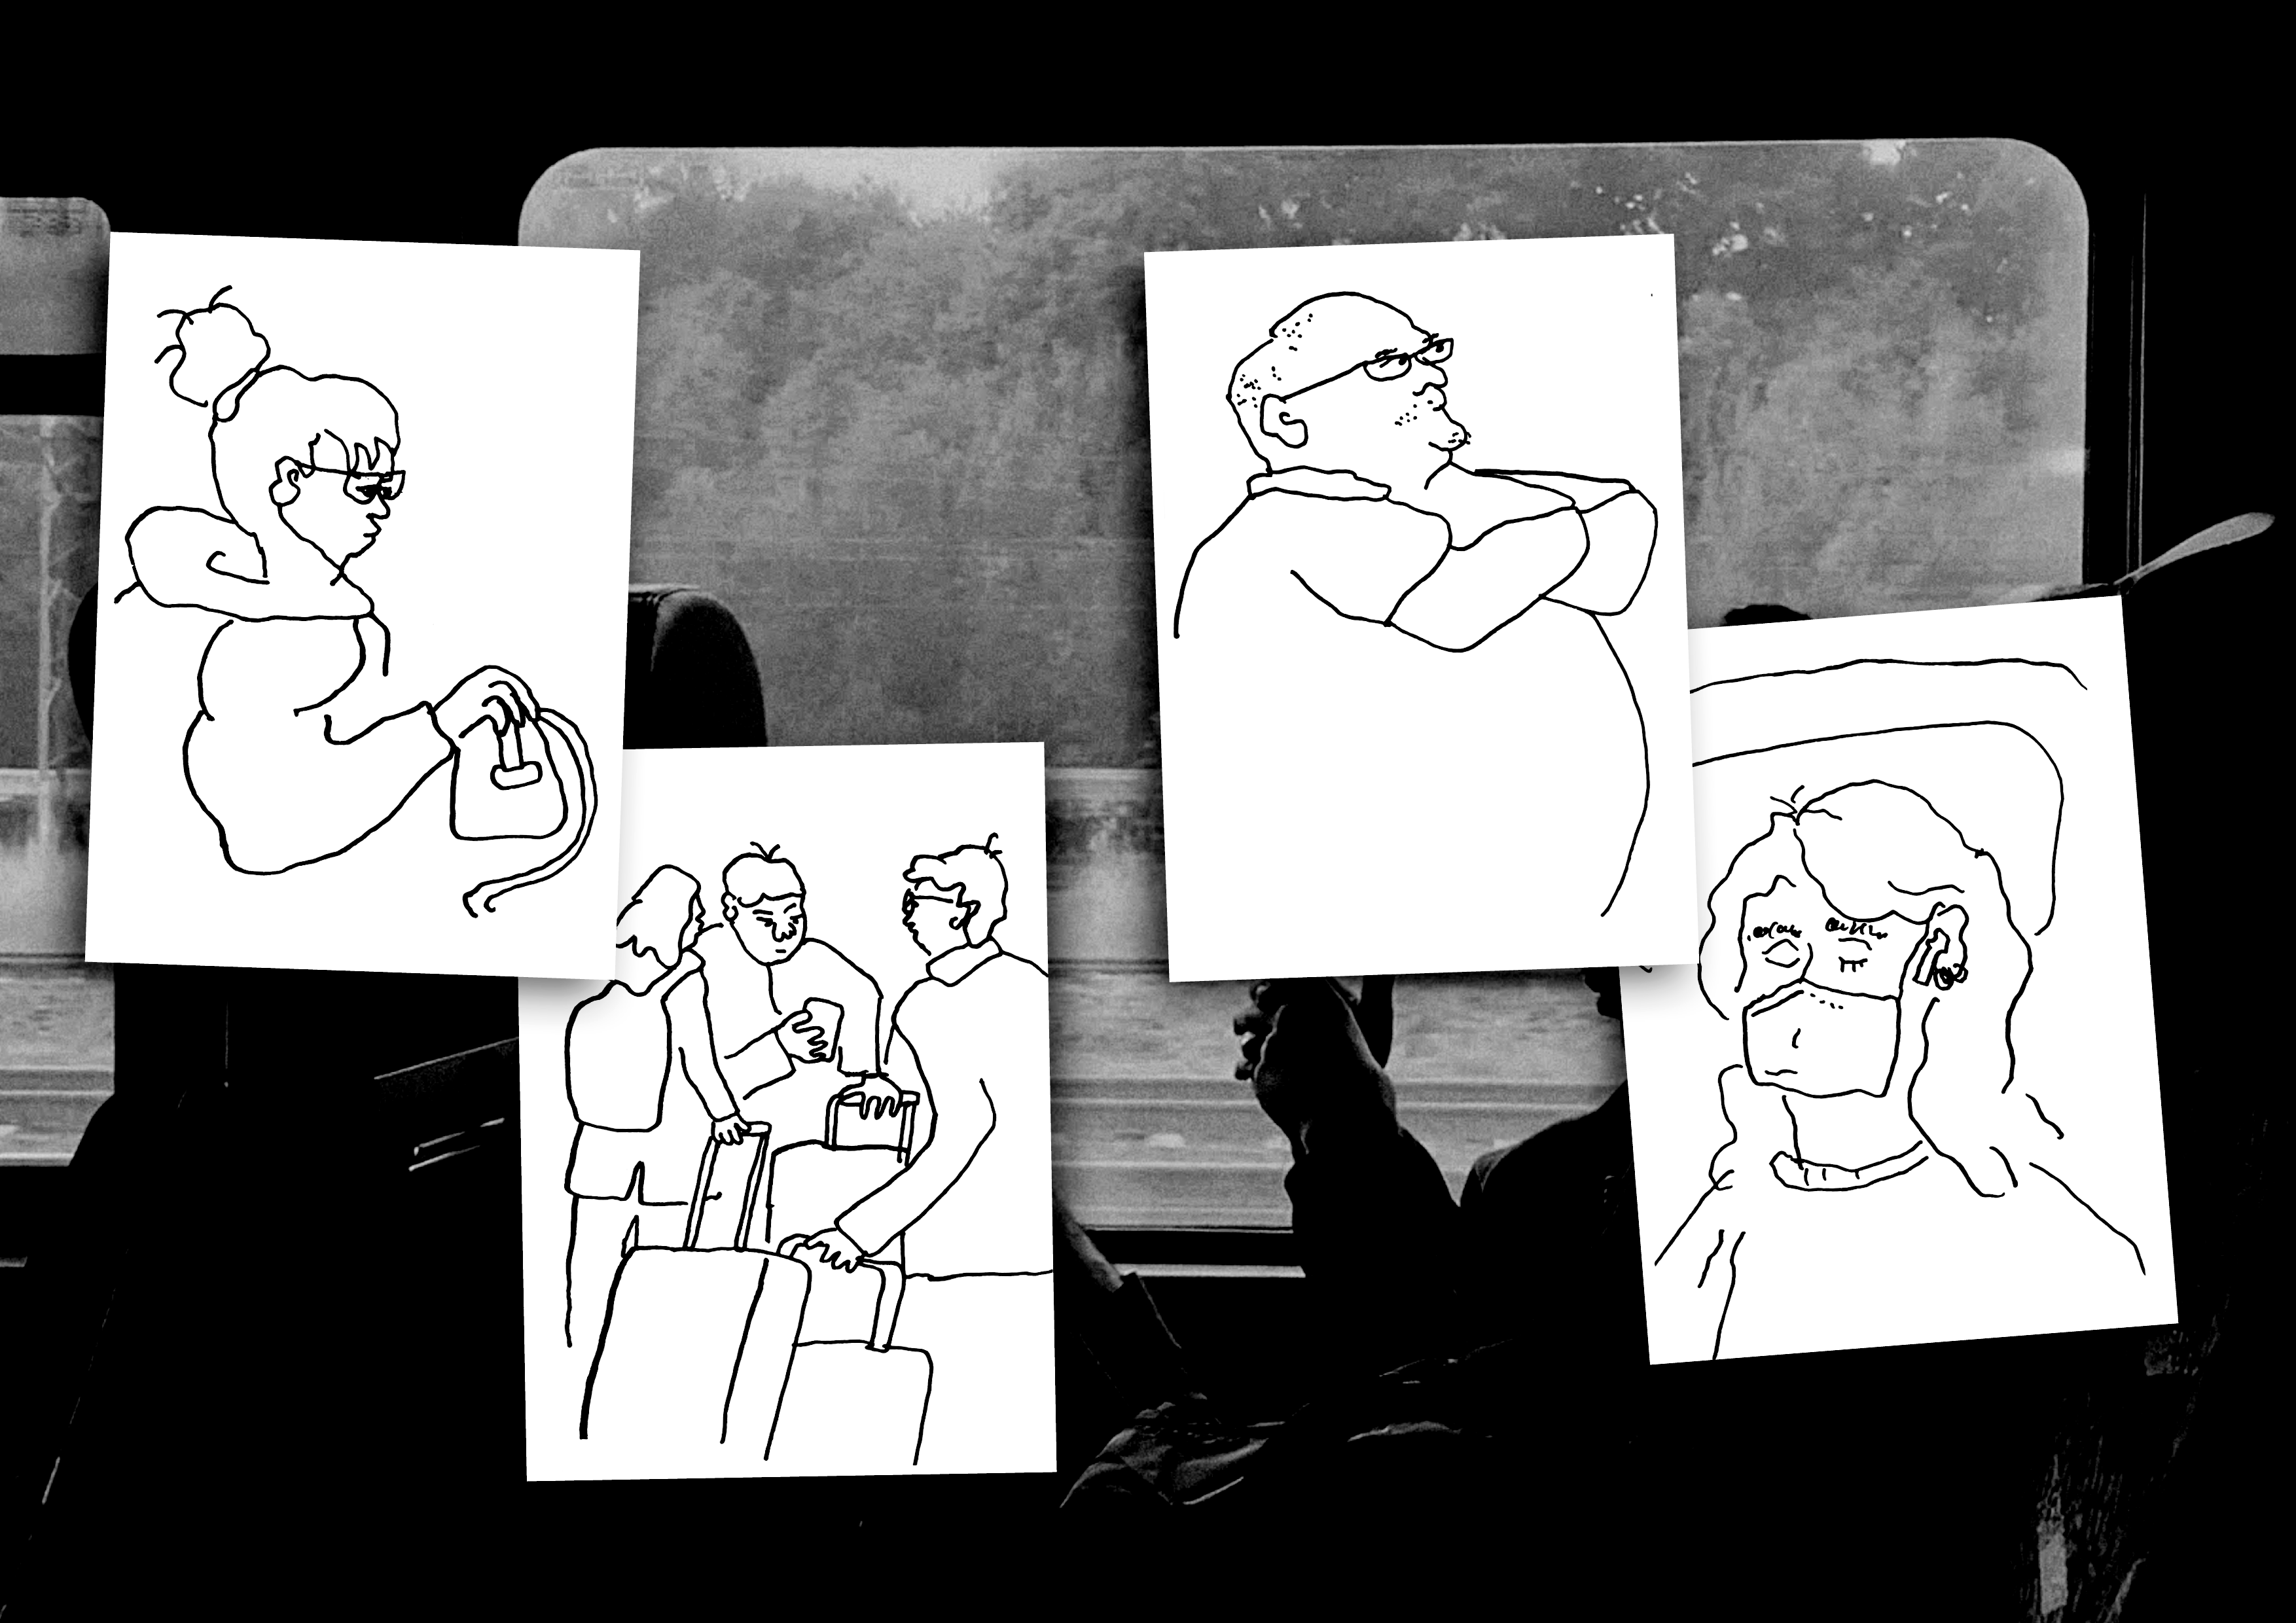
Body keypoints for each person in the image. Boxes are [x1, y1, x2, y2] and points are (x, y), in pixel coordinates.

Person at [1165, 291, 1662, 918]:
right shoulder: (1287, 523)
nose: (1431, 375)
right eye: (1389, 363)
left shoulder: (1433, 508)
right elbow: (1458, 610)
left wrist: (1502, 522)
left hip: (1524, 906)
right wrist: (1544, 523)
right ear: (1286, 420)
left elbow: (1620, 561)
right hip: (1378, 904)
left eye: (1429, 353)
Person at [118, 291, 590, 909]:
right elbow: (270, 827)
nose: (383, 506)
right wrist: (439, 727)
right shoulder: (275, 634)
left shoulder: (310, 607)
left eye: (391, 485)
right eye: (367, 485)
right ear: (288, 483)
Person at [1649, 779, 2147, 1360]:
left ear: (1943, 952)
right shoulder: (1715, 1227)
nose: (1807, 980)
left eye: (1854, 939)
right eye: (1775, 941)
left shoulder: (2052, 1243)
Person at [780, 837, 1052, 1469]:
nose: (909, 910)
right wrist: (890, 1090)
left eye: (923, 898)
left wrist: (858, 1231)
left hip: (958, 1254)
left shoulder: (935, 1005)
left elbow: (964, 1127)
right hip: (1021, 1244)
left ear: (964, 911)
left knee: (944, 1423)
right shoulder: (1023, 981)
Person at [561, 865, 748, 1372]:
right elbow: (698, 1056)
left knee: (592, 1261)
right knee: (657, 1262)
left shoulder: (609, 957)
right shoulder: (684, 980)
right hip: (664, 1152)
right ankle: (640, 1363)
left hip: (599, 1145)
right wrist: (725, 1114)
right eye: (696, 914)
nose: (703, 922)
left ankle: (581, 1352)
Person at [690, 844, 891, 1146]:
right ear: (732, 910)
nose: (784, 933)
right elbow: (701, 1073)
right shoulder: (704, 963)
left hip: (808, 1127)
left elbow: (864, 994)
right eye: (766, 921)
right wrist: (781, 1046)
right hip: (732, 1132)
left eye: (794, 918)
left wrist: (868, 1077)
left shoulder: (812, 956)